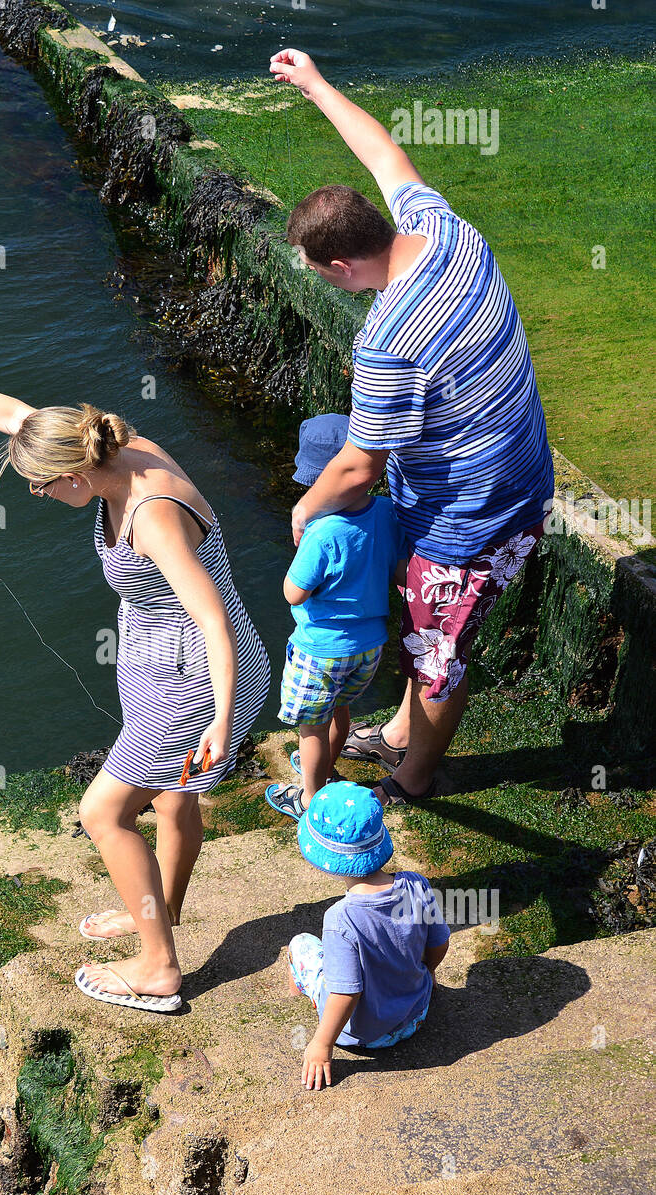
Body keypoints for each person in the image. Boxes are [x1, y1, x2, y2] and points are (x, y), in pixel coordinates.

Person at [0, 358, 269, 1014]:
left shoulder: (150, 515)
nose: (36, 494)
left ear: (75, 474)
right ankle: (157, 910)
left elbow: (210, 616)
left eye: (43, 486)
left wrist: (220, 719)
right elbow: (8, 414)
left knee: (102, 813)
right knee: (168, 802)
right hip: (157, 661)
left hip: (197, 679)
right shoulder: (105, 444)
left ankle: (158, 968)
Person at [269, 48, 555, 806]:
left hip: (474, 516)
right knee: (425, 630)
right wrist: (316, 84)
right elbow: (383, 152)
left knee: (436, 653)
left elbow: (360, 466)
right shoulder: (446, 230)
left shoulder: (388, 339)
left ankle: (416, 775)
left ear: (338, 266)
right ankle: (399, 732)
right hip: (515, 465)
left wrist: (303, 510)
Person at [266, 414, 408, 820]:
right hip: (369, 647)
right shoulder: (386, 512)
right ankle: (325, 768)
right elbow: (399, 571)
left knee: (311, 729)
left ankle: (311, 796)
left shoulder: (322, 531)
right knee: (339, 711)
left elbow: (292, 591)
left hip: (321, 649)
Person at [287, 780, 450, 1089]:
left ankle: (301, 997)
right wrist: (426, 974)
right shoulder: (416, 885)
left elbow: (346, 993)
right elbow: (440, 941)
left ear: (325, 859)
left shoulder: (341, 919)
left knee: (300, 944)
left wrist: (322, 1045)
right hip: (415, 1015)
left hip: (361, 1036)